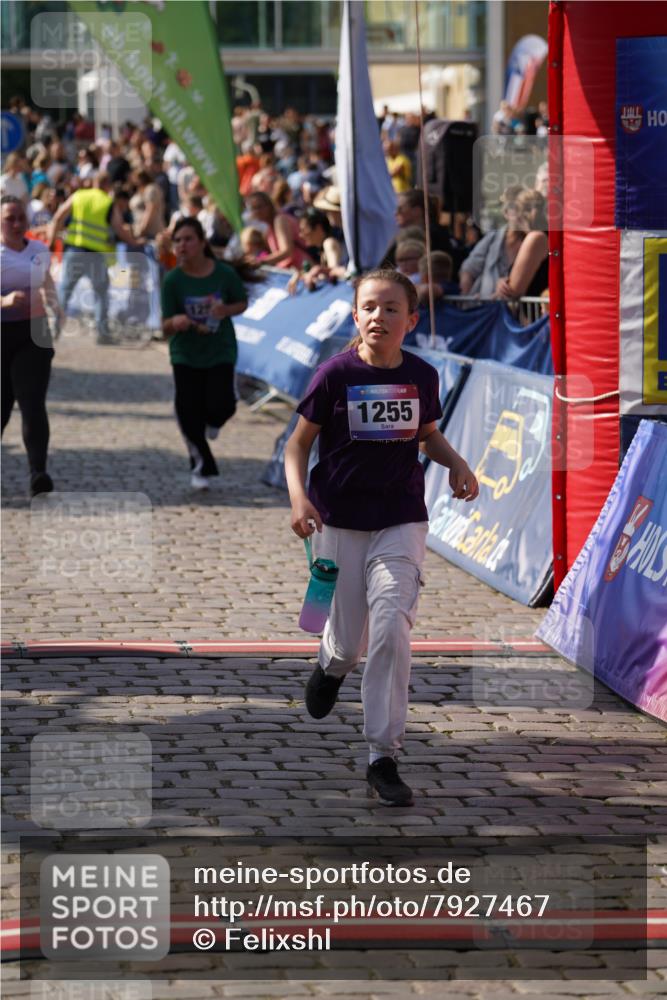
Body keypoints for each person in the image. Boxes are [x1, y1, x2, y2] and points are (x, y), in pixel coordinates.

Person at [284, 268, 479, 805]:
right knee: (351, 642)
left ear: (411, 321)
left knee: (392, 627)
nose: (379, 317)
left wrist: (456, 461)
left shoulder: (422, 375)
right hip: (340, 524)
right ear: (355, 316)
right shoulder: (334, 376)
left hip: (401, 519)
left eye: (391, 308)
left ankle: (382, 756)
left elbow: (426, 435)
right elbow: (297, 446)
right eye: (369, 307)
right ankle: (331, 664)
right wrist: (300, 499)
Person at [161, 217, 248, 491]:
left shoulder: (223, 274)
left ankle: (215, 419)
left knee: (222, 405)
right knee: (187, 410)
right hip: (185, 353)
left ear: (201, 243)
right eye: (177, 241)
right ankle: (201, 464)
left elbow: (242, 302)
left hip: (219, 349)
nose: (182, 245)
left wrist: (226, 310)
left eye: (188, 239)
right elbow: (163, 326)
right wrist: (175, 321)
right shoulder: (173, 280)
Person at [1, 196, 63, 497]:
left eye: (20, 218)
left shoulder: (38, 250)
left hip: (34, 333)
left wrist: (56, 306)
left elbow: (46, 281)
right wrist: (4, 300)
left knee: (32, 403)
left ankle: (38, 473)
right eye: (9, 218)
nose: (15, 224)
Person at [48, 171, 141, 344]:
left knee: (65, 291)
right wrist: (134, 243)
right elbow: (119, 229)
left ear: (93, 182)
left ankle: (54, 328)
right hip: (96, 255)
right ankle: (102, 334)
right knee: (101, 294)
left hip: (74, 251)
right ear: (108, 185)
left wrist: (52, 242)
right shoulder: (107, 202)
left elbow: (58, 217)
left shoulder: (79, 196)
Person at [458, 184, 526, 298]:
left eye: (524, 208)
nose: (521, 214)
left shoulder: (532, 240)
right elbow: (469, 268)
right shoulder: (493, 238)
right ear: (506, 213)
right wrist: (468, 297)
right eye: (515, 208)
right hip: (487, 309)